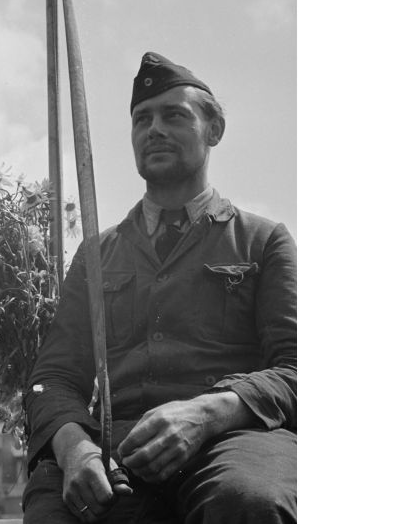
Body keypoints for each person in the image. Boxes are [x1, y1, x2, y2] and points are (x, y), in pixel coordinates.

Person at [22, 52, 297, 524]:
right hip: (117, 449)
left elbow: (298, 368)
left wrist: (209, 414)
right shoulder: (96, 254)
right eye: (142, 119)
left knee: (247, 502)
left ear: (214, 131)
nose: (154, 129)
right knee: (58, 512)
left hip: (232, 443)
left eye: (175, 115)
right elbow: (55, 377)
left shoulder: (264, 240)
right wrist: (75, 449)